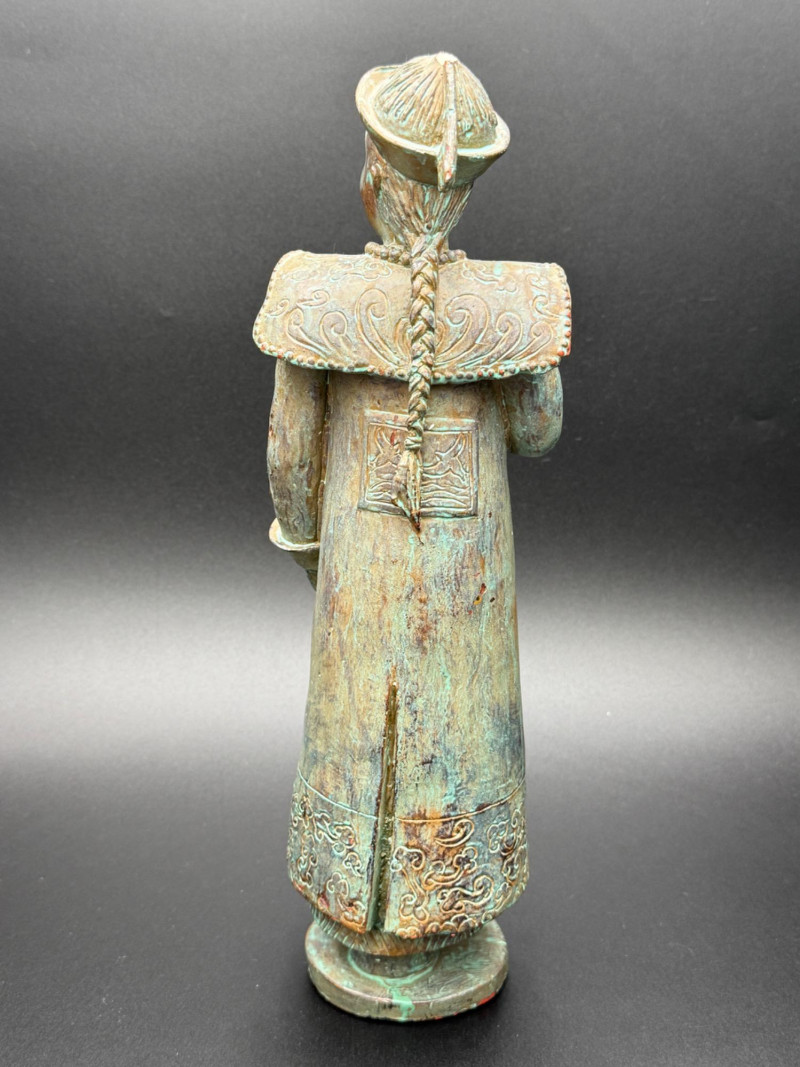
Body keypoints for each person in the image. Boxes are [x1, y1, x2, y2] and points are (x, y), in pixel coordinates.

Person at [253, 53, 571, 1018]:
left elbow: (289, 459)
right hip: (468, 580)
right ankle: (451, 908)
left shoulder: (315, 294)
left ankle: (358, 912)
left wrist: (310, 549)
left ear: (373, 175)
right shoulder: (514, 303)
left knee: (359, 727)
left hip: (359, 573)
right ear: (463, 193)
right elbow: (539, 431)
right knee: (458, 730)